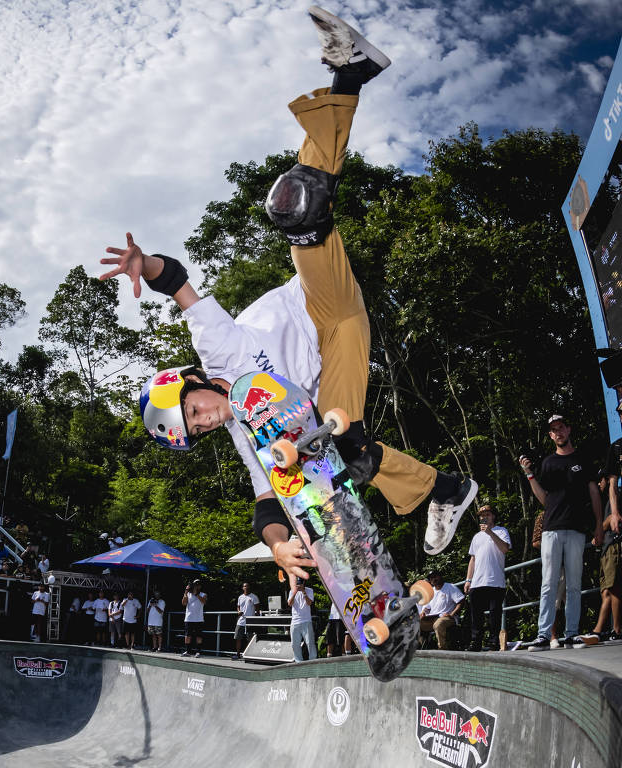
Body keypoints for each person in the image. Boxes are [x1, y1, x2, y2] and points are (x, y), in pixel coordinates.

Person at [100, 6, 477, 581]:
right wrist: (278, 545)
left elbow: (176, 281)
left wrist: (141, 263)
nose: (206, 421)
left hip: (320, 301)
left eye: (195, 412)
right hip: (339, 361)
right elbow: (267, 503)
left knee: (296, 206)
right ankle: (447, 488)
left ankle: (348, 78)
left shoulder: (217, 347)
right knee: (344, 446)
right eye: (199, 430)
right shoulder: (244, 432)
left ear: (193, 384)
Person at [520, 414, 604, 651]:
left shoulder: (583, 459)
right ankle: (543, 635)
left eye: (561, 428)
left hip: (577, 530)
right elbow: (545, 499)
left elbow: (594, 493)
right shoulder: (547, 463)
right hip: (551, 530)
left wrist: (599, 524)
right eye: (553, 430)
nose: (558, 433)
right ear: (550, 435)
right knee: (548, 583)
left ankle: (572, 633)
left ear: (568, 429)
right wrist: (529, 474)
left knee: (574, 584)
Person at [577, 425, 622, 645]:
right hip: (606, 548)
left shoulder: (613, 499)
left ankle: (611, 629)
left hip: (613, 544)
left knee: (612, 588)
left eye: (602, 480)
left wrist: (600, 528)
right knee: (606, 590)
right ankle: (602, 630)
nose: (600, 484)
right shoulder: (602, 502)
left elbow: (613, 519)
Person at [463, 503, 511, 651]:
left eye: (487, 514)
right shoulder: (476, 537)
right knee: (476, 614)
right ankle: (476, 642)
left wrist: (490, 532)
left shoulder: (501, 531)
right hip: (477, 582)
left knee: (494, 614)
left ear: (493, 516)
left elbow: (505, 548)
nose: (484, 517)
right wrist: (468, 580)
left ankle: (493, 641)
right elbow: (473, 559)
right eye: (482, 515)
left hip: (495, 580)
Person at [419, 570, 464, 650]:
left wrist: (452, 614)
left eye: (435, 576)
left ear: (440, 576)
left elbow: (461, 601)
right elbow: (427, 608)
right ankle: (420, 649)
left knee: (438, 624)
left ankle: (442, 649)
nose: (434, 579)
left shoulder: (450, 587)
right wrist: (423, 613)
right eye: (431, 578)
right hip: (432, 618)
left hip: (447, 617)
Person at [288, 574, 317, 662]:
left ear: (304, 583)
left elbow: (309, 603)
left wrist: (304, 592)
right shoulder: (292, 591)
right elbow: (290, 603)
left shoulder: (309, 590)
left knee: (310, 643)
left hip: (306, 620)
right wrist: (295, 592)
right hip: (295, 621)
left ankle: (313, 661)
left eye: (300, 583)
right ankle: (298, 662)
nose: (298, 585)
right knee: (295, 644)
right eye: (297, 583)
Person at [181, 579, 207, 657]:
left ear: (200, 586)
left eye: (198, 585)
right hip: (189, 618)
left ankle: (198, 652)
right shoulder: (188, 594)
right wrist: (186, 592)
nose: (196, 586)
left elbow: (204, 602)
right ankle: (187, 651)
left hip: (199, 618)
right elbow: (184, 603)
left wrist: (197, 594)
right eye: (195, 585)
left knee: (199, 636)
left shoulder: (203, 594)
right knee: (187, 635)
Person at [234, 582, 260, 658]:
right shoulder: (240, 597)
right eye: (245, 586)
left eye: (248, 586)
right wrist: (238, 611)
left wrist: (255, 619)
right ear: (242, 588)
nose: (246, 587)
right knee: (238, 638)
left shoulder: (254, 597)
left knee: (250, 639)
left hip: (250, 621)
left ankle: (249, 655)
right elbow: (238, 606)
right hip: (241, 620)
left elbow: (257, 609)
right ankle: (238, 654)